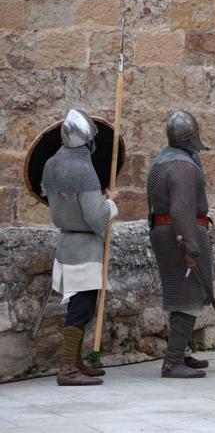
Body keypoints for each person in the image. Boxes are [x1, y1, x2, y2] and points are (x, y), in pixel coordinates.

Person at [42, 109, 118, 386]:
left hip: (66, 243)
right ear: (88, 140)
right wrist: (110, 202)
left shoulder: (51, 164)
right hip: (84, 247)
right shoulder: (84, 170)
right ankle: (67, 369)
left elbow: (55, 200)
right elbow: (97, 220)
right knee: (80, 307)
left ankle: (74, 362)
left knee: (81, 306)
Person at [147, 110, 213, 379]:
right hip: (179, 233)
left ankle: (181, 351)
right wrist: (191, 243)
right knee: (188, 296)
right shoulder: (183, 167)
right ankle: (173, 361)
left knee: (183, 295)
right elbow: (181, 210)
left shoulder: (163, 160)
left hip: (167, 231)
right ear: (191, 136)